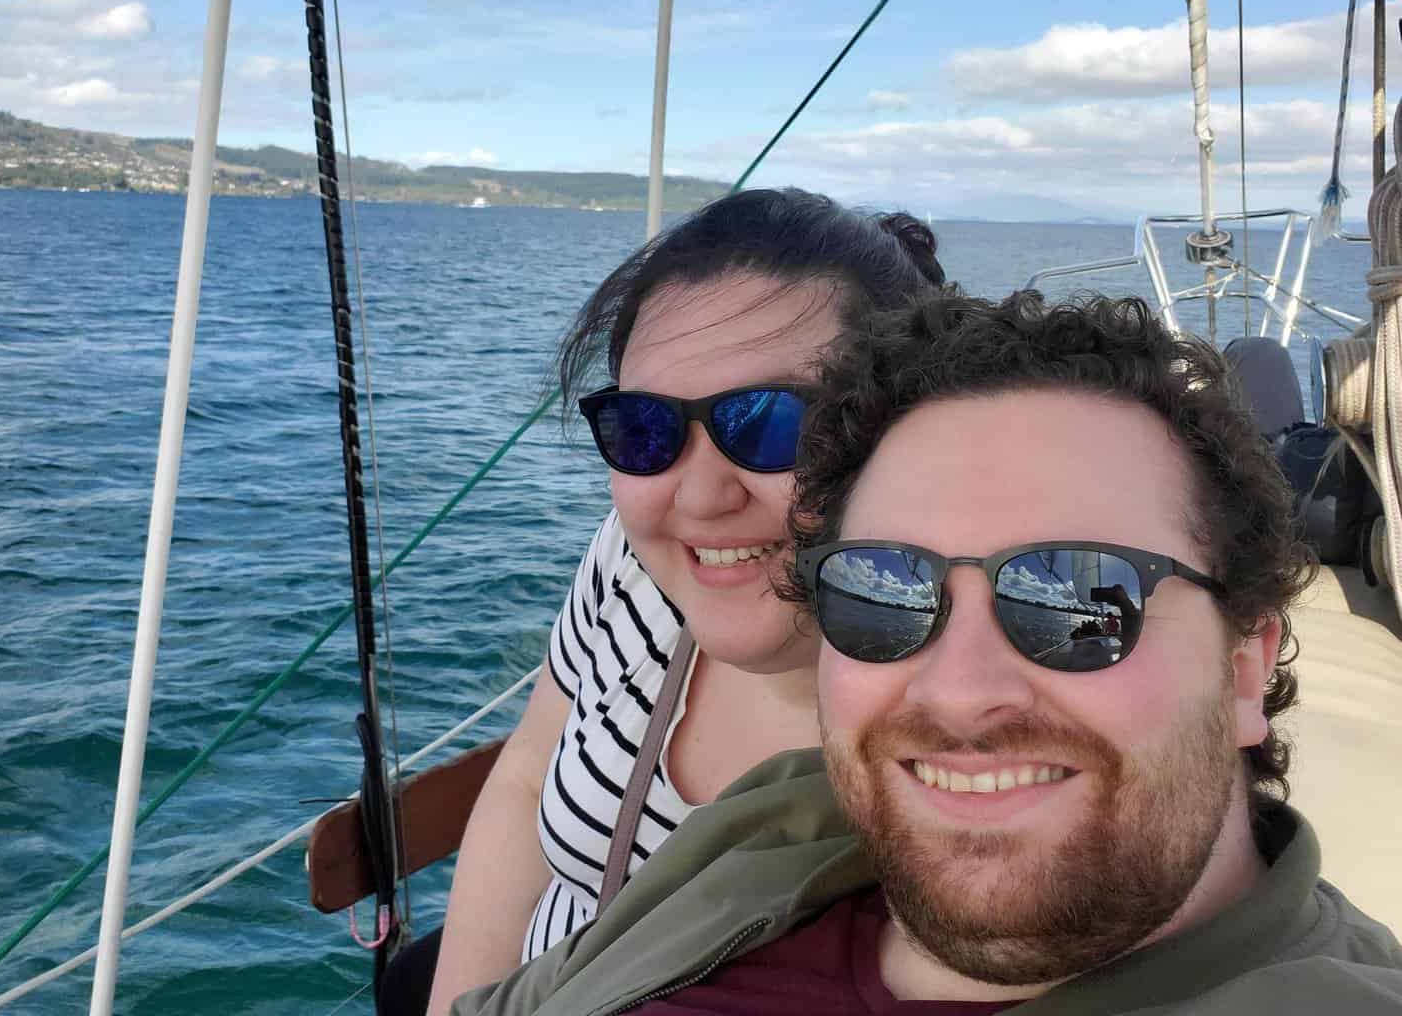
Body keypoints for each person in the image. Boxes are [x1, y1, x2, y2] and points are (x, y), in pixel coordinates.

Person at [449, 292, 1402, 1016]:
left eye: (1077, 593)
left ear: (1243, 665)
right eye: (882, 590)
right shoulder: (773, 826)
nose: (957, 690)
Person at [403, 190, 946, 1016]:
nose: (696, 497)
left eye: (772, 424)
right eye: (644, 430)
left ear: (905, 424)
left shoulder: (973, 713)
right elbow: (522, 782)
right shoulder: (633, 566)